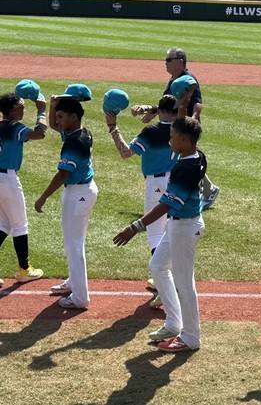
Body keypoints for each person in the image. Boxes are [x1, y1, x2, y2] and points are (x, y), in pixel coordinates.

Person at [113, 105, 207, 353]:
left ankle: (190, 337)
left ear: (185, 141)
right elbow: (187, 124)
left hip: (185, 227)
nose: (170, 139)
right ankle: (174, 323)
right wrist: (181, 106)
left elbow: (166, 204)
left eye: (173, 137)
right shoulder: (194, 155)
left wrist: (135, 227)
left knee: (185, 283)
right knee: (157, 266)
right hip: (178, 226)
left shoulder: (185, 167)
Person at [106, 94, 179, 309]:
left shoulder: (151, 132)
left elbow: (126, 152)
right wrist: (153, 110)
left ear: (160, 110)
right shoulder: (182, 127)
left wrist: (113, 128)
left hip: (156, 186)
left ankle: (167, 285)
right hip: (176, 183)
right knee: (170, 233)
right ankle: (165, 281)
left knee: (155, 233)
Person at [132, 48, 220, 210]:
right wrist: (151, 111)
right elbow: (167, 105)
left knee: (185, 157)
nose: (165, 63)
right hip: (176, 125)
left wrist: (192, 122)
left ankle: (203, 190)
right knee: (182, 157)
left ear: (180, 61)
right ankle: (206, 189)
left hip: (184, 126)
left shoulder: (187, 79)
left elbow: (197, 104)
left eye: (168, 60)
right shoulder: (174, 79)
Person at [35, 87, 98, 310]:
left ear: (74, 116)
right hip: (82, 191)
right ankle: (73, 282)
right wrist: (54, 105)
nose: (57, 121)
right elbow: (54, 125)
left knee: (74, 245)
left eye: (62, 116)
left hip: (78, 193)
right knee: (73, 242)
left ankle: (80, 297)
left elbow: (63, 174)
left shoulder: (74, 142)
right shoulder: (79, 131)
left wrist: (42, 197)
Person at [0, 91, 47, 287]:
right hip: (5, 179)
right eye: (21, 105)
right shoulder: (15, 126)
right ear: (12, 110)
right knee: (20, 225)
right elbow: (39, 134)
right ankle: (24, 269)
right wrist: (42, 111)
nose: (23, 107)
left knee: (5, 223)